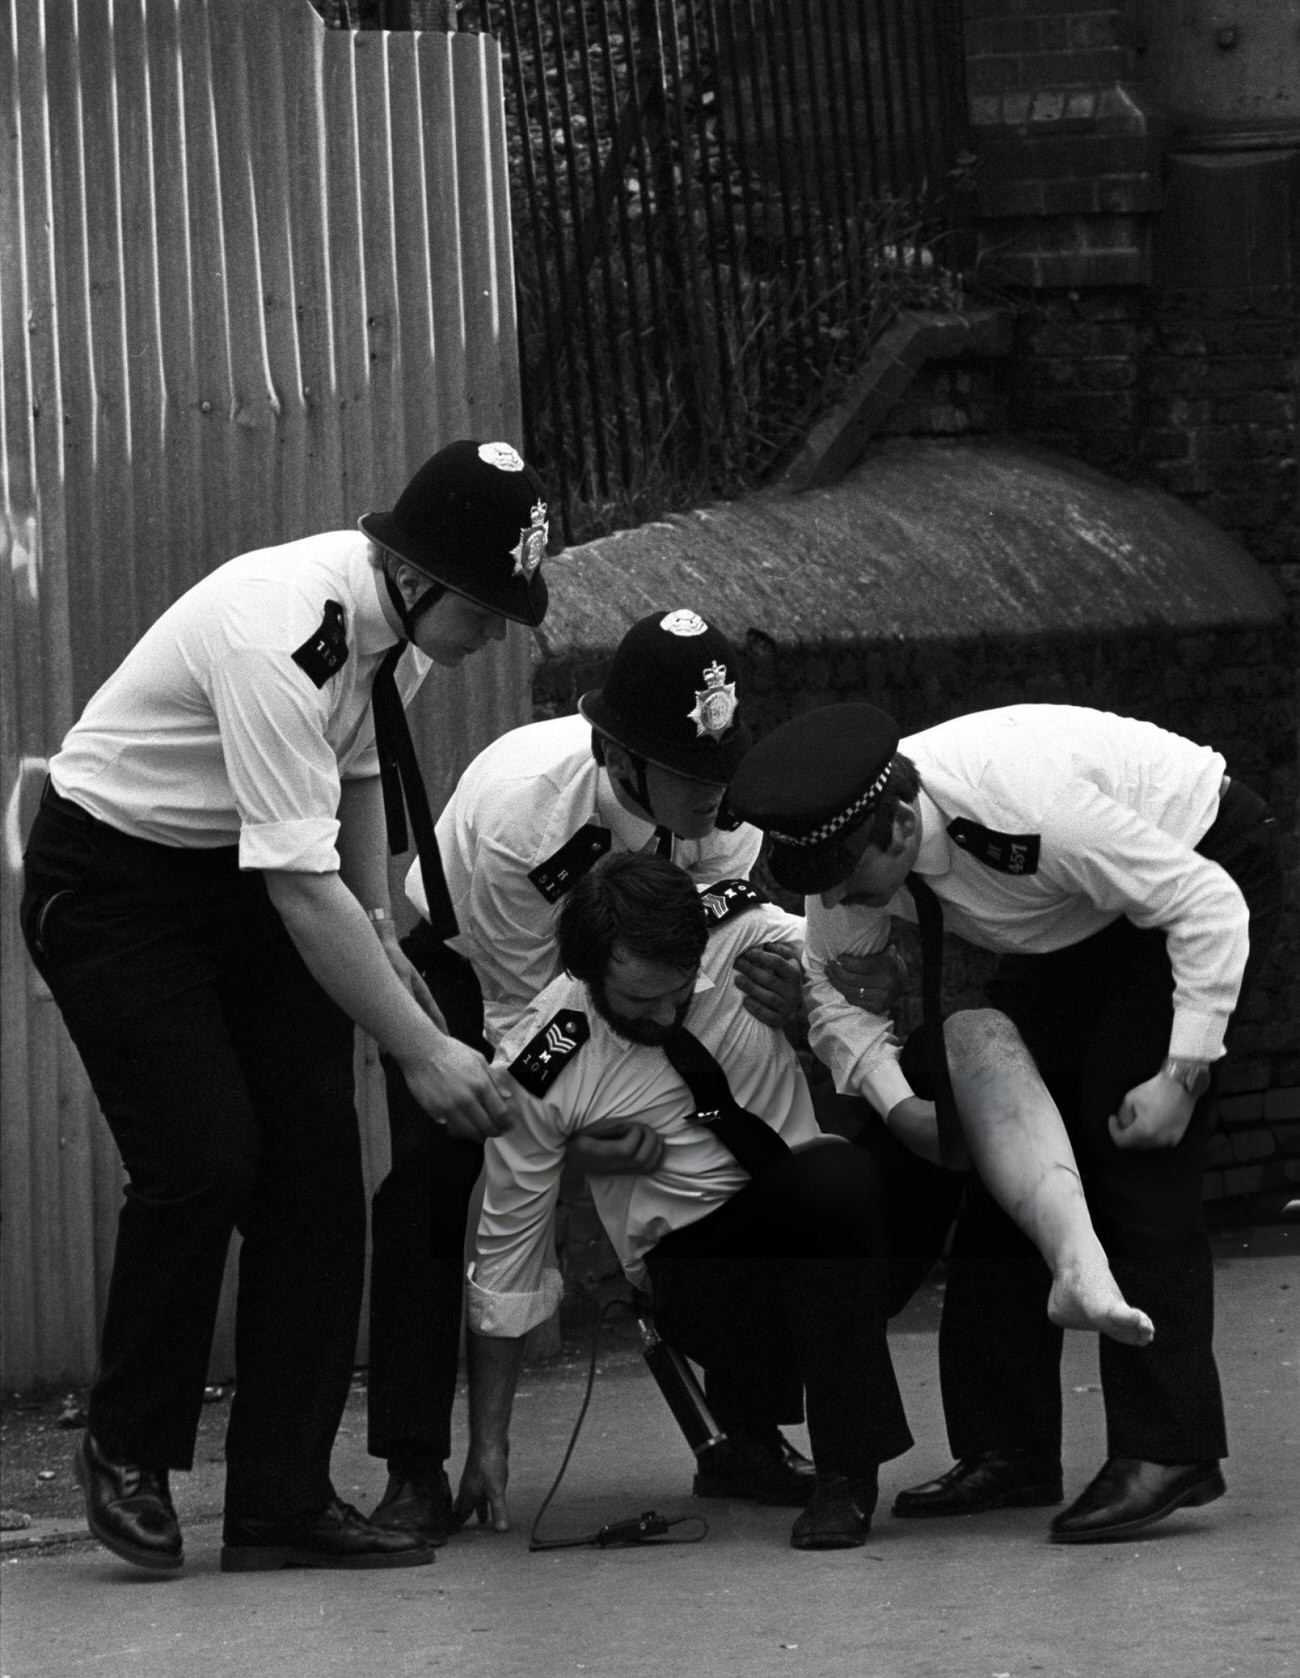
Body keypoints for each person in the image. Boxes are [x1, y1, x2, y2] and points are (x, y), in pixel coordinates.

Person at [19, 438, 551, 1574]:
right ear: (418, 581)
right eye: (491, 607)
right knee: (206, 1154)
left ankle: (280, 1497)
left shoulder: (386, 632)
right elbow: (297, 891)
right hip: (117, 881)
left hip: (247, 877)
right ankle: (126, 1449)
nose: (499, 631)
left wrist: (386, 935)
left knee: (314, 1170)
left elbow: (354, 774)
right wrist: (420, 1051)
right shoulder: (280, 632)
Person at [728, 700, 1284, 1544]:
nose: (839, 904)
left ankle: (1170, 1448)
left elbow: (1207, 905)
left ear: (902, 826)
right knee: (1004, 1155)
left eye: (850, 885)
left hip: (1194, 869)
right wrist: (899, 1103)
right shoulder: (846, 845)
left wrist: (1183, 1071)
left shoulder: (1028, 809)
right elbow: (834, 989)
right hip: (1074, 921)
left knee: (1127, 1146)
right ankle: (1009, 1448)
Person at [366, 609, 808, 1545]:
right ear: (617, 755)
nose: (716, 797)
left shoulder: (718, 809)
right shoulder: (524, 818)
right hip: (475, 969)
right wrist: (574, 1147)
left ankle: (748, 1430)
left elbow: (702, 957)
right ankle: (415, 1466)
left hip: (639, 971)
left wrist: (788, 990)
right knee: (440, 1181)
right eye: (691, 775)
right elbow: (537, 1034)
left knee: (719, 1132)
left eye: (723, 769)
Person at [454, 850, 911, 1552]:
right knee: (819, 1193)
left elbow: (853, 969)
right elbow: (505, 1259)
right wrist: (490, 1443)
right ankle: (784, 1450)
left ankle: (842, 1472)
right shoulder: (541, 1067)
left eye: (682, 992)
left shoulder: (741, 930)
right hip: (699, 1281)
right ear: (585, 974)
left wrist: (856, 987)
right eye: (641, 1004)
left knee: (852, 1167)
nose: (667, 1014)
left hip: (820, 1232)